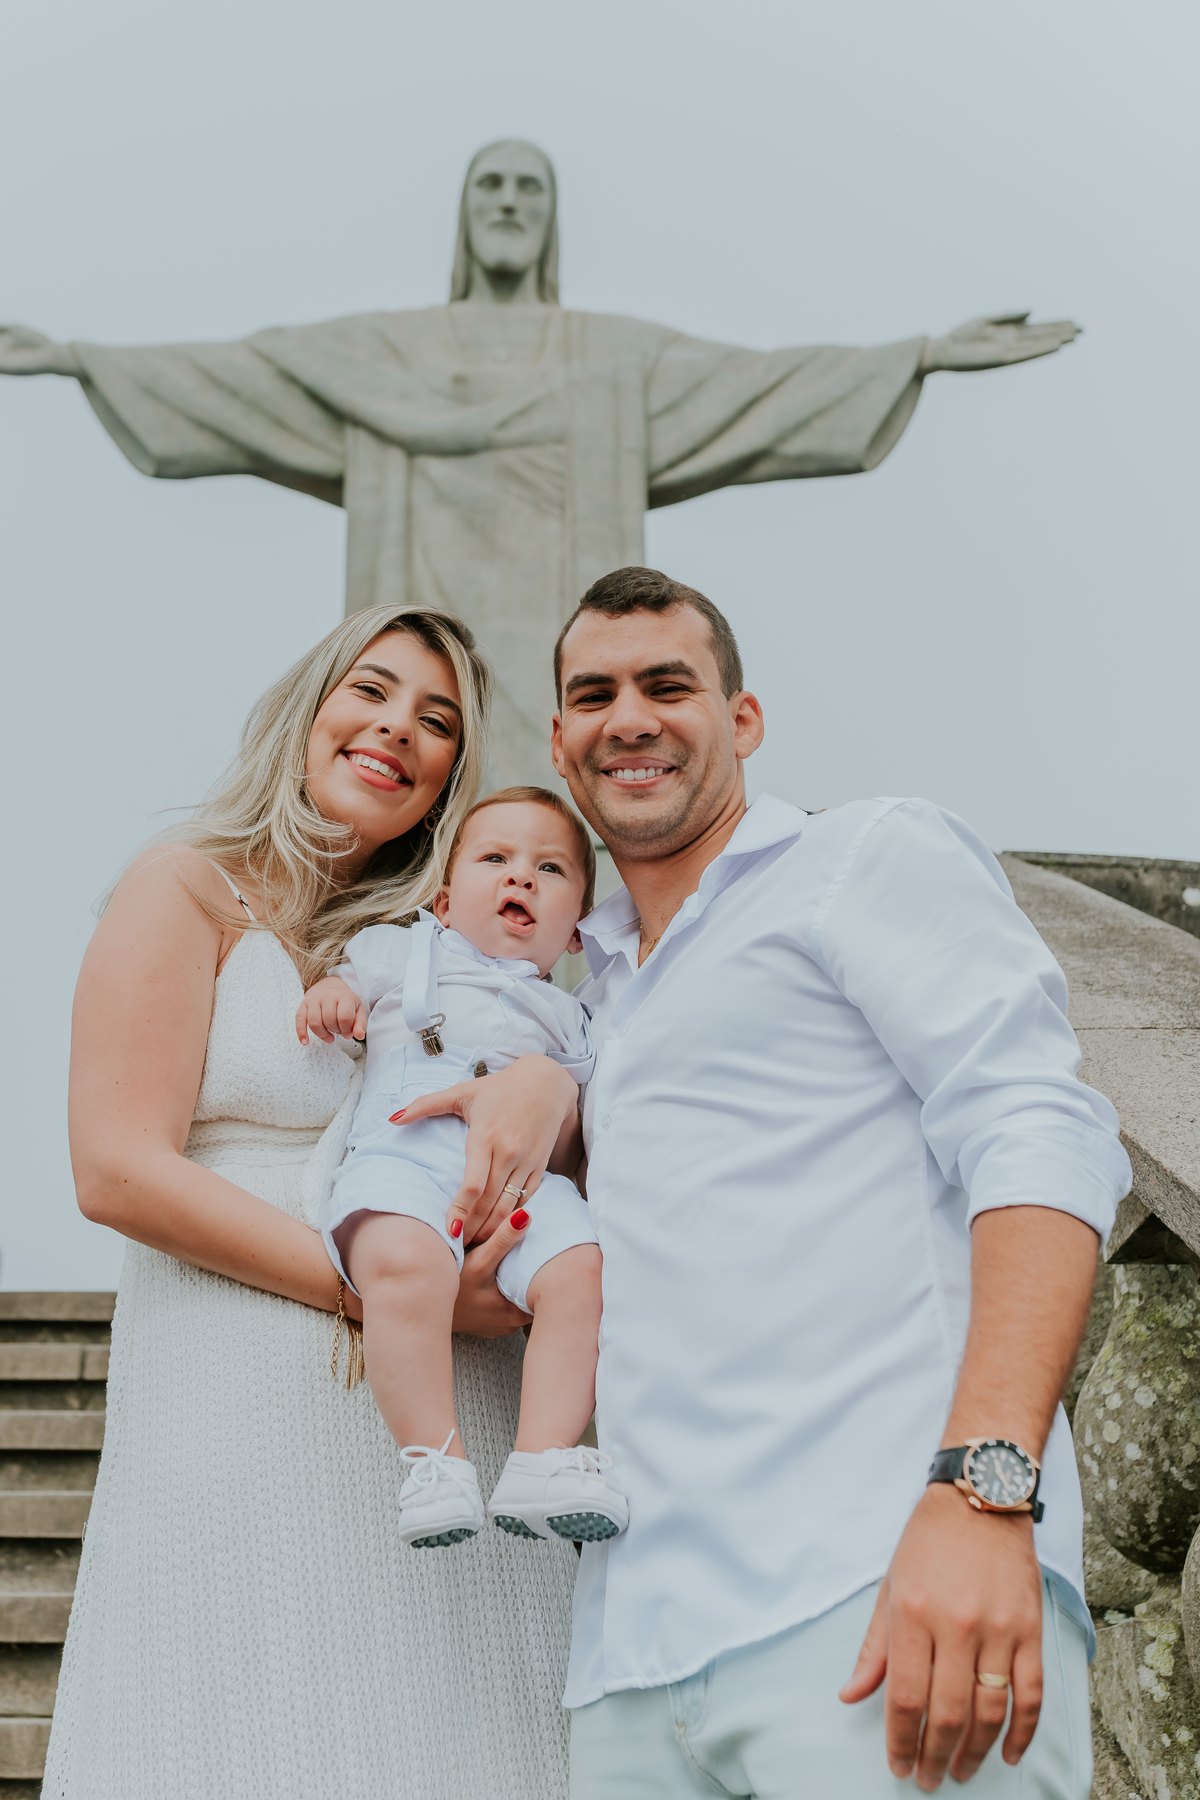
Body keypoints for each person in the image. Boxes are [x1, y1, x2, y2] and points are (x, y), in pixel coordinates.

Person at [400, 566, 1132, 1800]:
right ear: (564, 749)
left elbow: (1039, 1134)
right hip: (634, 1663)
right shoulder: (597, 1003)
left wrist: (983, 1493)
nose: (630, 717)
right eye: (595, 696)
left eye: (667, 685)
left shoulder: (859, 858)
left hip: (882, 1595)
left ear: (741, 720)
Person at [51, 605, 583, 1800]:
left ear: (450, 776)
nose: (398, 729)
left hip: (457, 1404)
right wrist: (373, 1294)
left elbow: (556, 1067)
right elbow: (115, 1167)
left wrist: (549, 1083)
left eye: (437, 721)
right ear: (311, 708)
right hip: (232, 1395)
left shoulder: (441, 941)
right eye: (373, 691)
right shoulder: (185, 886)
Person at [298, 788, 627, 1549]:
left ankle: (544, 1454)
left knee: (582, 1272)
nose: (521, 877)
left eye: (550, 868)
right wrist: (333, 996)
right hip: (408, 1154)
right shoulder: (402, 950)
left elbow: (582, 1126)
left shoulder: (572, 1016)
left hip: (521, 1184)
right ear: (444, 902)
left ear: (576, 933)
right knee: (402, 1264)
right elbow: (347, 982)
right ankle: (434, 1460)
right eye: (496, 859)